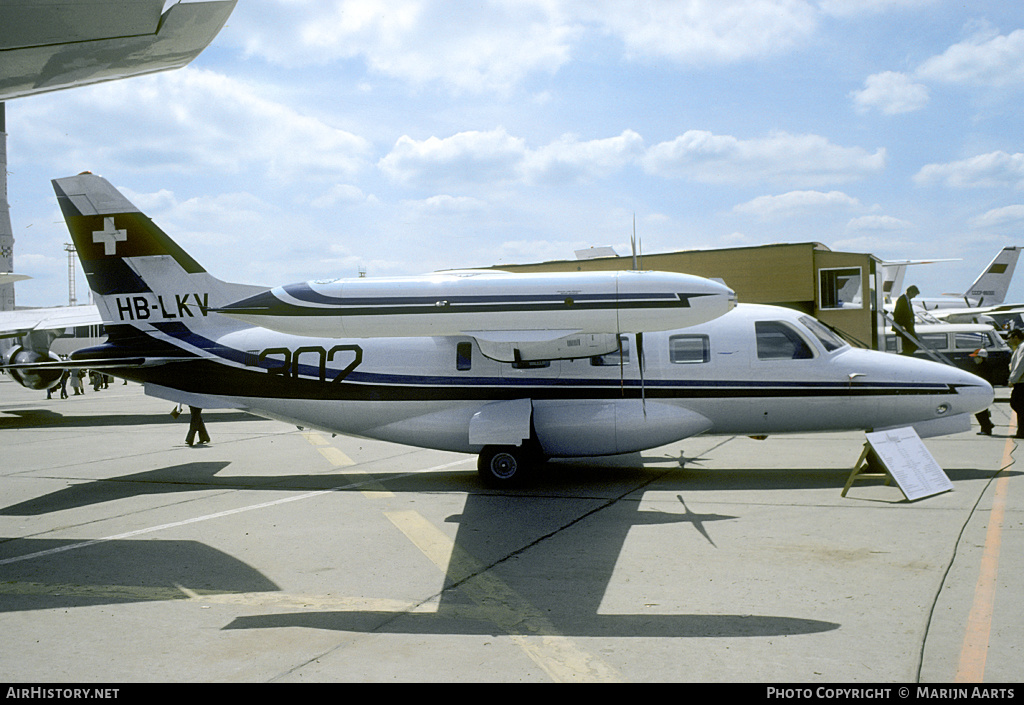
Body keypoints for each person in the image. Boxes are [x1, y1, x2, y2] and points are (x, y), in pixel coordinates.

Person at [970, 348, 995, 435]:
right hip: (984, 392)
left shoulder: (983, 368)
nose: (974, 359)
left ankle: (986, 428)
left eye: (976, 357)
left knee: (980, 410)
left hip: (982, 392)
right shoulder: (982, 366)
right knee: (982, 410)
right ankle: (987, 425)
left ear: (981, 358)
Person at [893, 285, 920, 356]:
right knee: (912, 344)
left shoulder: (907, 301)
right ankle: (905, 355)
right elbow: (898, 313)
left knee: (912, 344)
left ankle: (906, 355)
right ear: (910, 292)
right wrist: (900, 325)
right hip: (905, 327)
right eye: (914, 294)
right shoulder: (902, 300)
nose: (914, 296)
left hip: (908, 326)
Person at [1007, 329, 1024, 438]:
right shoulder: (1019, 348)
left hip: (1022, 383)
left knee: (1018, 405)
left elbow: (1021, 365)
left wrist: (1012, 379)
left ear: (1016, 337)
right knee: (1018, 406)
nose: (1008, 341)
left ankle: (1022, 432)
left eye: (1009, 338)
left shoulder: (1022, 348)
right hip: (1020, 382)